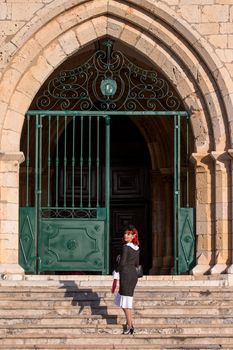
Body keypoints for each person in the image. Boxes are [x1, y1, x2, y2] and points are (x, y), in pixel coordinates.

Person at [113, 224, 140, 335]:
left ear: (133, 235)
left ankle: (130, 326)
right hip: (133, 275)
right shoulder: (137, 247)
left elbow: (123, 263)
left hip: (126, 275)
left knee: (126, 303)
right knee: (124, 301)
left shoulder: (126, 246)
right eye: (125, 233)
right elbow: (136, 263)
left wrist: (116, 270)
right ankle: (130, 324)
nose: (125, 235)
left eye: (128, 234)